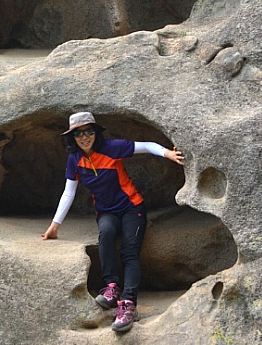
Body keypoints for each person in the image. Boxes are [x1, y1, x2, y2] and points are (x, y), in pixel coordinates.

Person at [42, 111, 185, 333]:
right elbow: (68, 192)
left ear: (95, 133)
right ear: (73, 137)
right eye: (79, 133)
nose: (85, 137)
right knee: (106, 235)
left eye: (89, 131)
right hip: (106, 211)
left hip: (132, 208)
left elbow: (145, 145)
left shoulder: (111, 148)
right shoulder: (75, 160)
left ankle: (128, 304)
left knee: (129, 252)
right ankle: (111, 288)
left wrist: (167, 154)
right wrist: (55, 225)